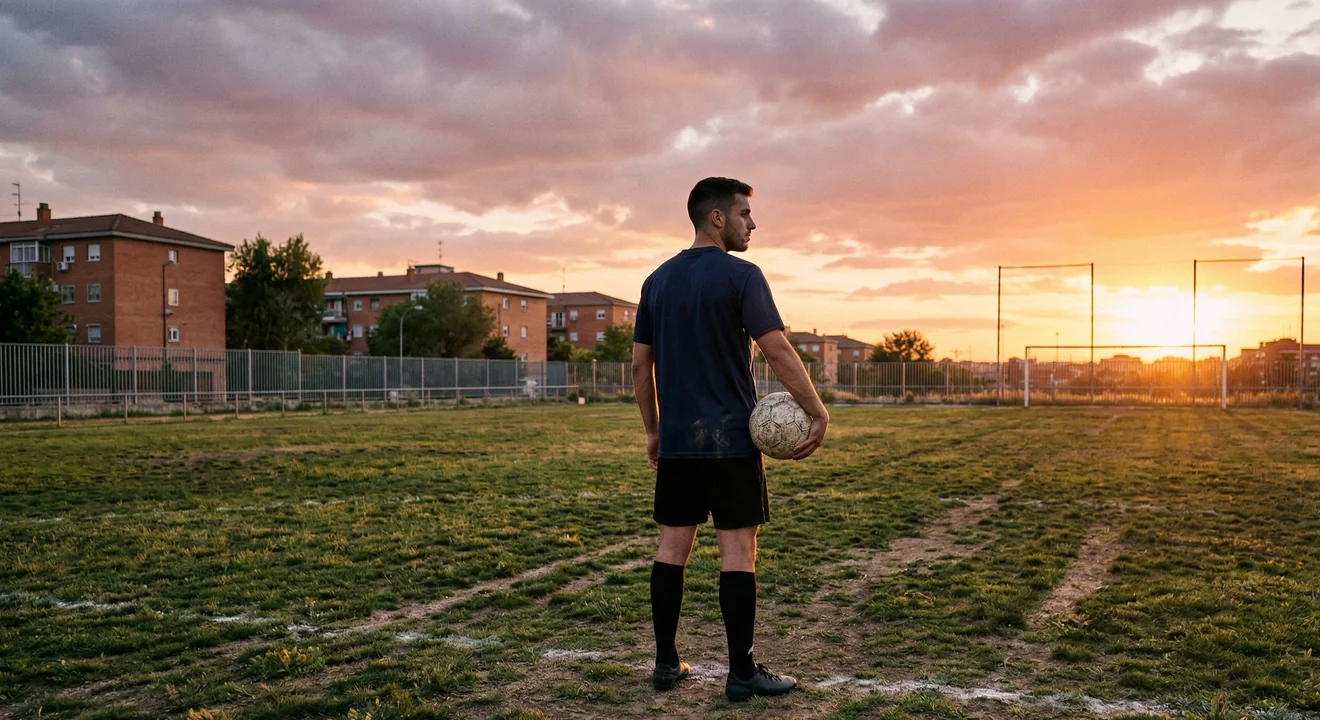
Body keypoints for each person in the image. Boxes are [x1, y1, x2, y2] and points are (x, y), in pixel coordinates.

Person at [631, 177, 829, 701]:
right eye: (745, 214)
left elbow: (638, 367)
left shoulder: (655, 282)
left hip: (679, 442)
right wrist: (816, 408)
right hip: (732, 442)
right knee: (737, 551)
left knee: (672, 546)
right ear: (716, 217)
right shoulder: (742, 275)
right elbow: (777, 349)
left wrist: (654, 431)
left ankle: (665, 663)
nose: (753, 223)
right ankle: (741, 673)